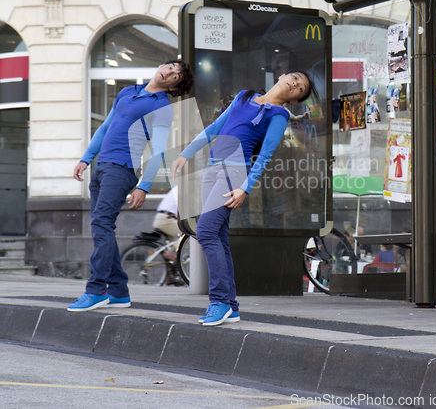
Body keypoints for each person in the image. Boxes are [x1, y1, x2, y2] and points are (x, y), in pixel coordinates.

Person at [172, 70, 318, 326]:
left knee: (205, 231)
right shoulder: (244, 96)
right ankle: (231, 306)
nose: (294, 83)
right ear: (282, 75)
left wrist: (246, 187)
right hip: (213, 167)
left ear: (295, 100)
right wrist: (186, 153)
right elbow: (214, 128)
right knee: (217, 236)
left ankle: (218, 301)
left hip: (234, 170)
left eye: (299, 87)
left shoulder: (279, 114)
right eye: (295, 78)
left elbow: (266, 155)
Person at [67, 60, 194, 312]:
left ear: (173, 87)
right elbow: (105, 127)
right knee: (101, 227)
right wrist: (86, 158)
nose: (169, 73)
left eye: (175, 76)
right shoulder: (127, 92)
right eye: (169, 67)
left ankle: (96, 289)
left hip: (123, 169)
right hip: (102, 166)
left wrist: (143, 186)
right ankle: (119, 292)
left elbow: (158, 151)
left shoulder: (161, 108)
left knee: (102, 224)